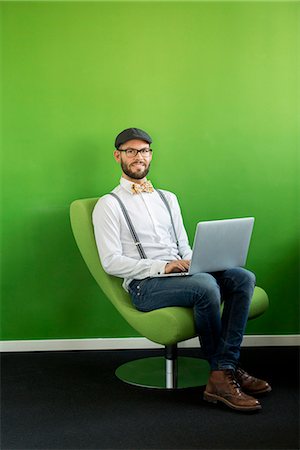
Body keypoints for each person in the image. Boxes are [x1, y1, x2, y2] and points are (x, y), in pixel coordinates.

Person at [92, 127, 271, 412]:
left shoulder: (168, 198)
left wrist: (199, 261)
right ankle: (223, 376)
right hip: (145, 284)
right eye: (132, 151)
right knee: (205, 286)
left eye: (145, 150)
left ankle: (224, 369)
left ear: (151, 155)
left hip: (185, 274)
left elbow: (184, 247)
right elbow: (110, 262)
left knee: (242, 277)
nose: (139, 156)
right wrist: (164, 266)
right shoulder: (108, 205)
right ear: (118, 156)